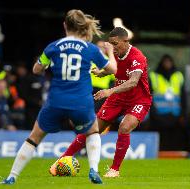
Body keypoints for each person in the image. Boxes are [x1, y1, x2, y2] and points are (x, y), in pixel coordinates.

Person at [0, 9, 117, 185]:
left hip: (56, 100)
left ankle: (11, 177)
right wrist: (109, 53)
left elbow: (36, 70)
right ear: (83, 27)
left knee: (33, 138)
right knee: (93, 132)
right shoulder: (90, 49)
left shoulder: (53, 47)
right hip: (81, 102)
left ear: (65, 26)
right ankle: (93, 170)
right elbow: (112, 70)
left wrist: (48, 64)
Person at [50, 27, 152, 178]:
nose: (113, 47)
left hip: (138, 100)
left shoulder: (137, 57)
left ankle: (114, 170)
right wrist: (101, 72)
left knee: (124, 127)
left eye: (116, 43)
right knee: (91, 129)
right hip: (118, 98)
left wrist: (109, 91)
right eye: (111, 43)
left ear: (126, 41)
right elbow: (115, 69)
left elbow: (133, 82)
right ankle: (61, 160)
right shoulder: (116, 55)